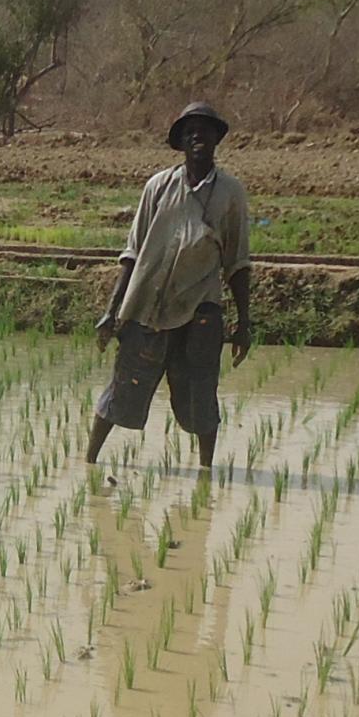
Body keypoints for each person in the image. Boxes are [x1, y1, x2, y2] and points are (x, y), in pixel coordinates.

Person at [88, 99, 254, 468]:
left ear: (216, 139)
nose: (197, 135)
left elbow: (238, 263)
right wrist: (112, 310)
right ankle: (88, 463)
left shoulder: (230, 194)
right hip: (148, 305)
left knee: (200, 397)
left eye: (205, 130)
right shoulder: (158, 187)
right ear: (180, 142)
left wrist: (244, 323)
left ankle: (206, 471)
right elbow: (132, 253)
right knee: (121, 390)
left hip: (200, 311)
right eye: (189, 131)